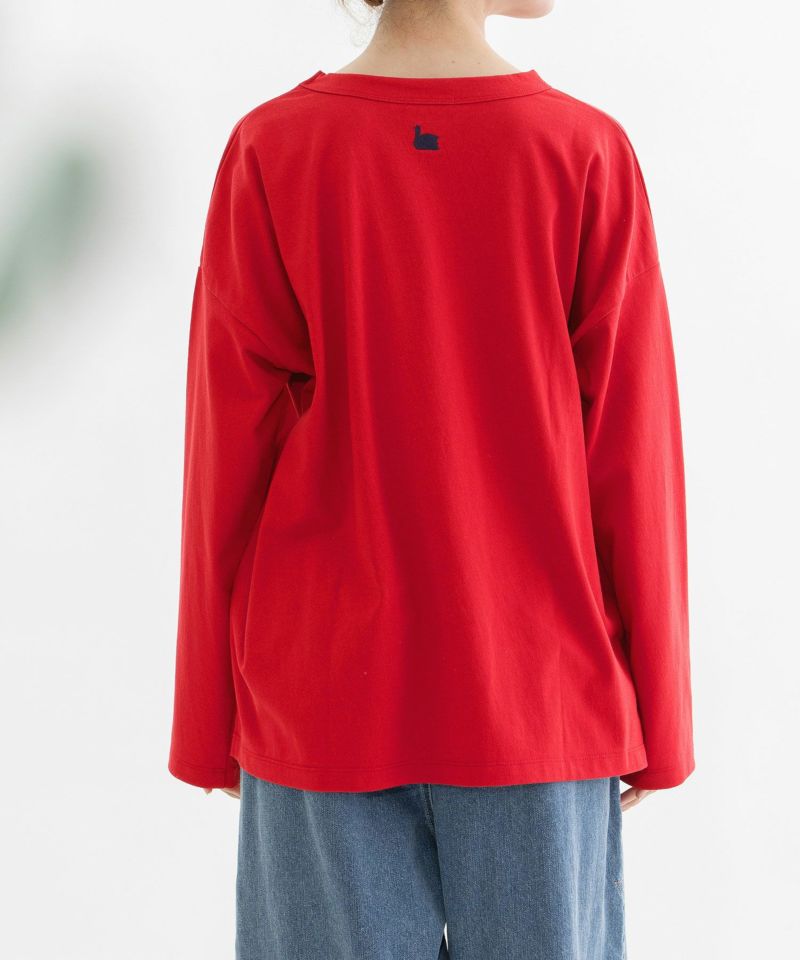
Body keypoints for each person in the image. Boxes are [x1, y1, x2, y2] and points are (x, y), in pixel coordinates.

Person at [167, 0, 695, 956]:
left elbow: (225, 458)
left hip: (321, 694)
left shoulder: (274, 149)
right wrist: (661, 714)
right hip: (538, 697)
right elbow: (632, 452)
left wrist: (210, 722)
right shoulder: (582, 152)